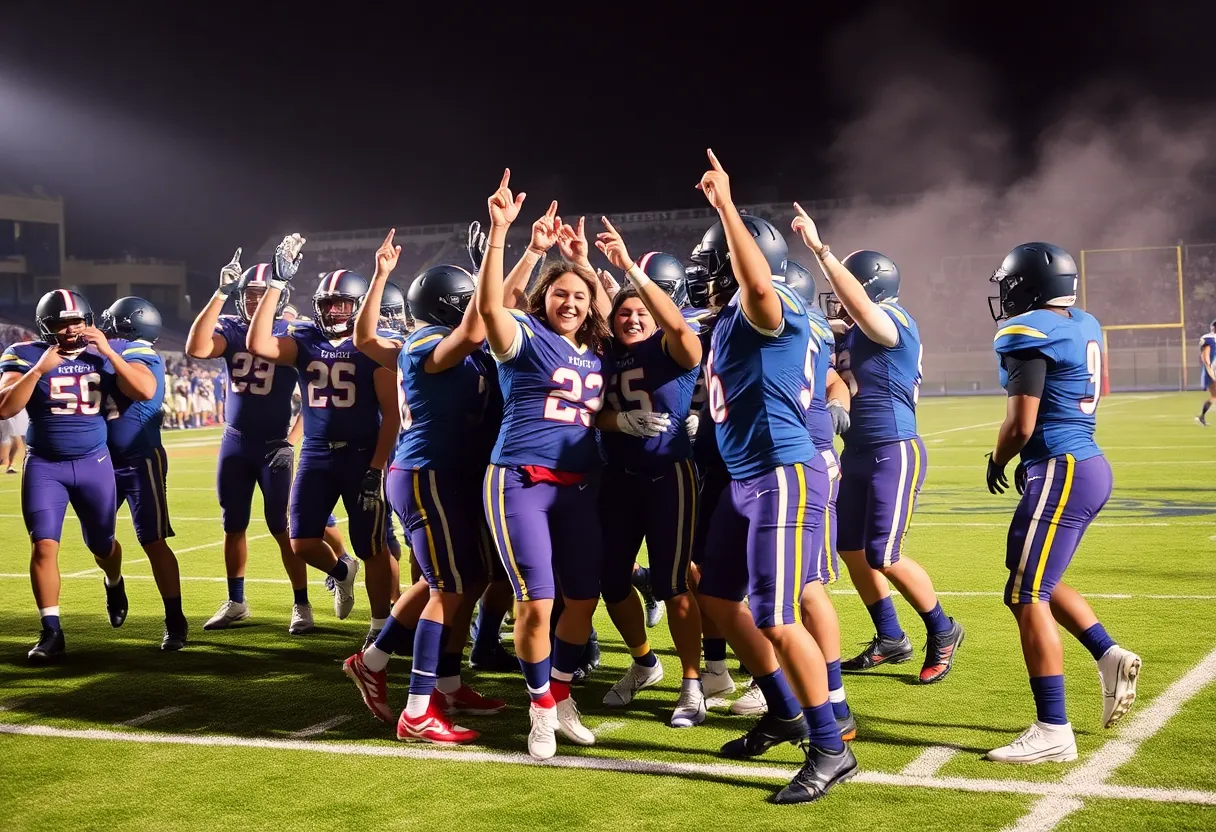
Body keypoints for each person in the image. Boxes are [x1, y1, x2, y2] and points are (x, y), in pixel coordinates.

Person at [687, 151, 855, 804]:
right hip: (746, 476)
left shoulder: (768, 302)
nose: (706, 283)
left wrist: (727, 207)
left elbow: (758, 291)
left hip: (781, 472)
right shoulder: (738, 319)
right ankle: (785, 711)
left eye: (714, 271)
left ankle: (829, 745)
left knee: (778, 616)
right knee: (719, 599)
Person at [344, 224, 505, 743]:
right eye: (467, 301)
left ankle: (414, 672)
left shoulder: (457, 340)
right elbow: (475, 330)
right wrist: (492, 259)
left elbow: (365, 338)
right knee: (448, 586)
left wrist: (517, 258)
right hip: (427, 474)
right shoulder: (424, 342)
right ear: (446, 306)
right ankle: (417, 708)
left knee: (470, 580)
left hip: (455, 474)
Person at [984, 242, 1141, 763]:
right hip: (1087, 464)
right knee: (1034, 579)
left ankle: (1053, 729)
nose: (1005, 294)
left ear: (1026, 285)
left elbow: (1021, 423)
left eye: (1009, 283)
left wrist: (998, 457)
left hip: (1060, 467)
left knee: (1025, 595)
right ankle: (1108, 653)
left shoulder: (1028, 332)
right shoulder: (1085, 322)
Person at [793, 209, 964, 685]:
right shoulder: (849, 331)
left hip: (894, 446)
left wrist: (821, 252)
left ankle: (943, 628)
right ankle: (891, 636)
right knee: (849, 548)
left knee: (884, 554)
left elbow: (866, 315)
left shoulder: (892, 320)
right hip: (857, 451)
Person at [476, 170, 609, 761]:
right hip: (521, 479)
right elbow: (490, 307)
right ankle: (539, 710)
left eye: (580, 296)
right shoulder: (525, 335)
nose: (571, 301)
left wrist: (584, 266)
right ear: (544, 299)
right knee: (537, 599)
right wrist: (515, 240)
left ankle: (559, 694)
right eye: (562, 293)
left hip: (578, 487)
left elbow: (611, 311)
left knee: (582, 599)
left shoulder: (596, 347)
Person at [247, 240, 399, 645]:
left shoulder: (372, 346)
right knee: (302, 542)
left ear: (358, 306)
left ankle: (379, 626)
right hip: (316, 451)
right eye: (328, 303)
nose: (334, 311)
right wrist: (278, 282)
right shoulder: (306, 340)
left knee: (374, 548)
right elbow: (258, 344)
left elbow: (393, 416)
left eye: (343, 304)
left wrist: (376, 468)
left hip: (363, 454)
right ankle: (340, 572)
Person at [593, 219, 708, 728]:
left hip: (668, 476)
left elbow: (681, 330)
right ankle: (644, 662)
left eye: (642, 311)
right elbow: (582, 410)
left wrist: (631, 274)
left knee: (673, 583)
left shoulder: (672, 347)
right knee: (610, 579)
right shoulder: (606, 353)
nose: (632, 318)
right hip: (617, 477)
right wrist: (617, 419)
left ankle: (692, 682)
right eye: (625, 313)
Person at [0, 290, 148, 661]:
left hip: (93, 463)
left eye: (77, 321)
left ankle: (114, 582)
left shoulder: (104, 351)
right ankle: (51, 631)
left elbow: (145, 391)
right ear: (45, 327)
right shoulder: (24, 353)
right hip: (45, 464)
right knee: (44, 546)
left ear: (89, 321)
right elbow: (5, 409)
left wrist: (111, 353)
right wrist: (38, 372)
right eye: (62, 323)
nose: (70, 330)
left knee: (103, 545)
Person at [186, 254, 315, 633]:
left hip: (274, 443)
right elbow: (196, 348)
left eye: (263, 293)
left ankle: (301, 604)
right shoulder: (229, 327)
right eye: (249, 294)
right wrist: (221, 291)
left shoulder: (293, 332)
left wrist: (292, 441)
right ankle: (236, 601)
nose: (255, 300)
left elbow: (315, 394)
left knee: (282, 526)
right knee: (233, 524)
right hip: (235, 441)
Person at [100, 296, 189, 650]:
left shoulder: (139, 353)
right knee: (99, 539)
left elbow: (139, 387)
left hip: (140, 458)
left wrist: (105, 352)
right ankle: (113, 581)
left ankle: (175, 619)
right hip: (99, 459)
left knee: (152, 540)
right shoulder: (106, 352)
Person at [1198, 319, 1216, 426]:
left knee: (1214, 396)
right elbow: (1205, 357)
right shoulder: (1209, 339)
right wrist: (1211, 373)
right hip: (1211, 371)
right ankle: (1201, 417)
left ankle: (1202, 417)